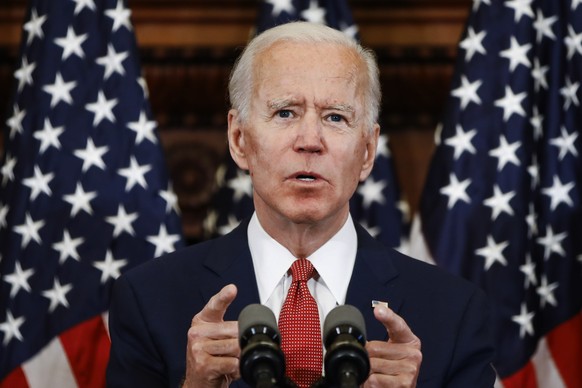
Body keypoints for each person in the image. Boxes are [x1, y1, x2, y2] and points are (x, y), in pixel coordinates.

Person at [106, 22, 496, 388]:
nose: (310, 140)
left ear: (367, 150)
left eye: (335, 117)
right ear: (239, 139)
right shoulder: (149, 300)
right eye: (285, 112)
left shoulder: (453, 313)